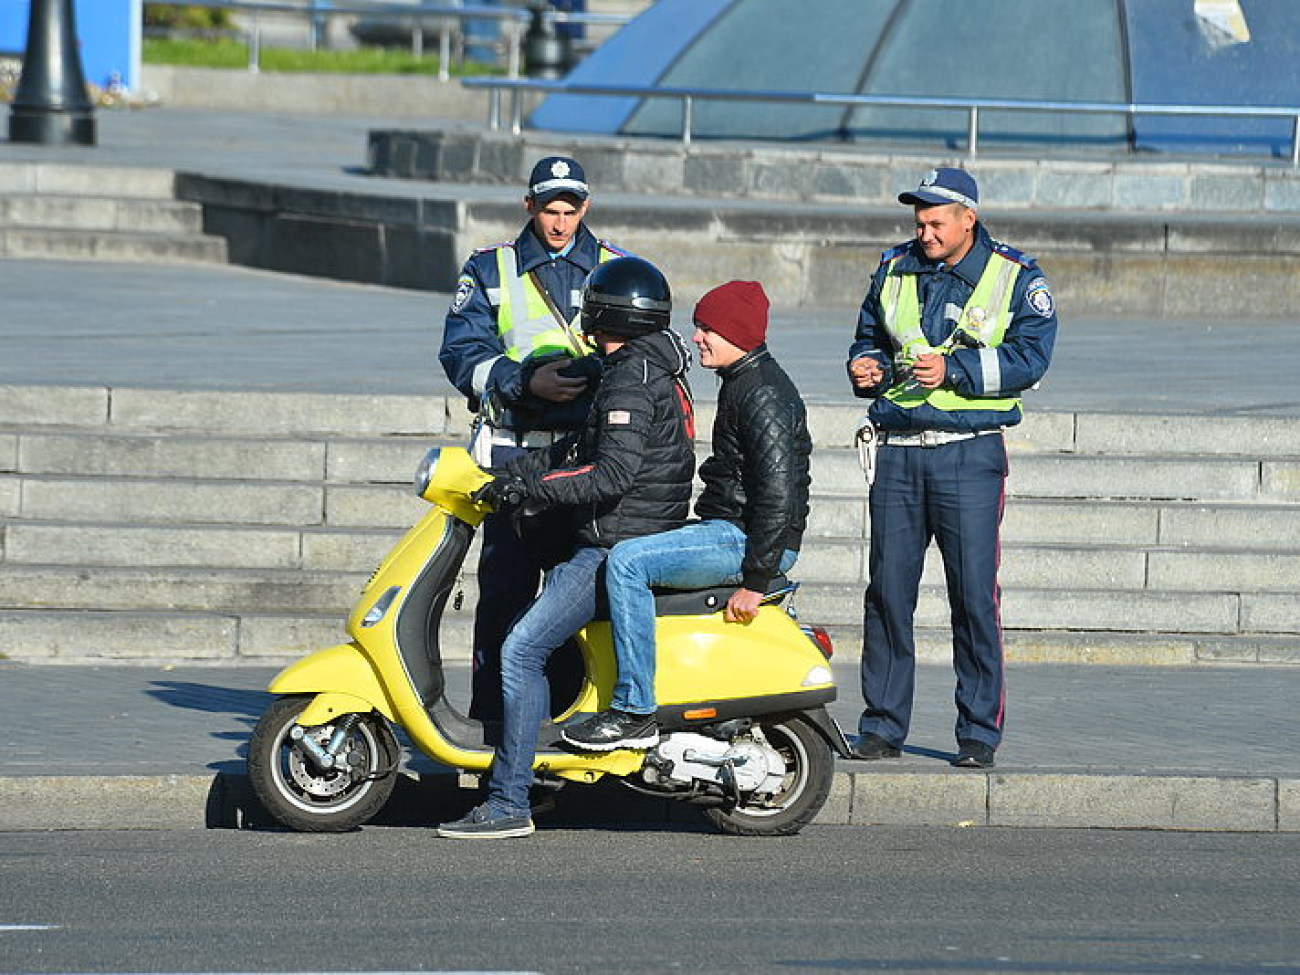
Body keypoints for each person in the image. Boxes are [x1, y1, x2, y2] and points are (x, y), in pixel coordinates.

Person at [437, 256, 696, 839]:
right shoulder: (642, 365)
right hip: (623, 531)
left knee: (521, 650)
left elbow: (610, 476)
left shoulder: (631, 378)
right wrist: (521, 473)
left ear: (604, 312)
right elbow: (582, 449)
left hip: (613, 542)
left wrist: (535, 489)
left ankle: (507, 803)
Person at [846, 167, 1057, 769]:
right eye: (919, 219)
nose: (925, 230)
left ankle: (977, 733)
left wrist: (957, 374)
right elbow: (868, 339)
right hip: (900, 454)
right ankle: (882, 727)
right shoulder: (893, 267)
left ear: (969, 218)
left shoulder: (1015, 275)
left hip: (969, 453)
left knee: (972, 598)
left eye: (936, 220)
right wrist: (865, 368)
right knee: (887, 595)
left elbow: (1032, 359)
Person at [561, 280, 812, 751]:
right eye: (698, 327)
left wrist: (756, 580)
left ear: (736, 331)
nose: (696, 338)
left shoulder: (762, 394)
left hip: (745, 538)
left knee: (628, 562)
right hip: (737, 531)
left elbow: (779, 494)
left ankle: (634, 710)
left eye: (707, 328)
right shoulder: (745, 383)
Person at [439, 155, 628, 721]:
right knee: (503, 597)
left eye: (571, 211)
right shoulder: (490, 268)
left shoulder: (616, 268)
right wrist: (522, 379)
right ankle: (493, 724)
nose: (561, 224)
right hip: (514, 454)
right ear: (530, 206)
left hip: (584, 457)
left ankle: (566, 721)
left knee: (576, 604)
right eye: (550, 210)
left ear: (586, 208)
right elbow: (460, 353)